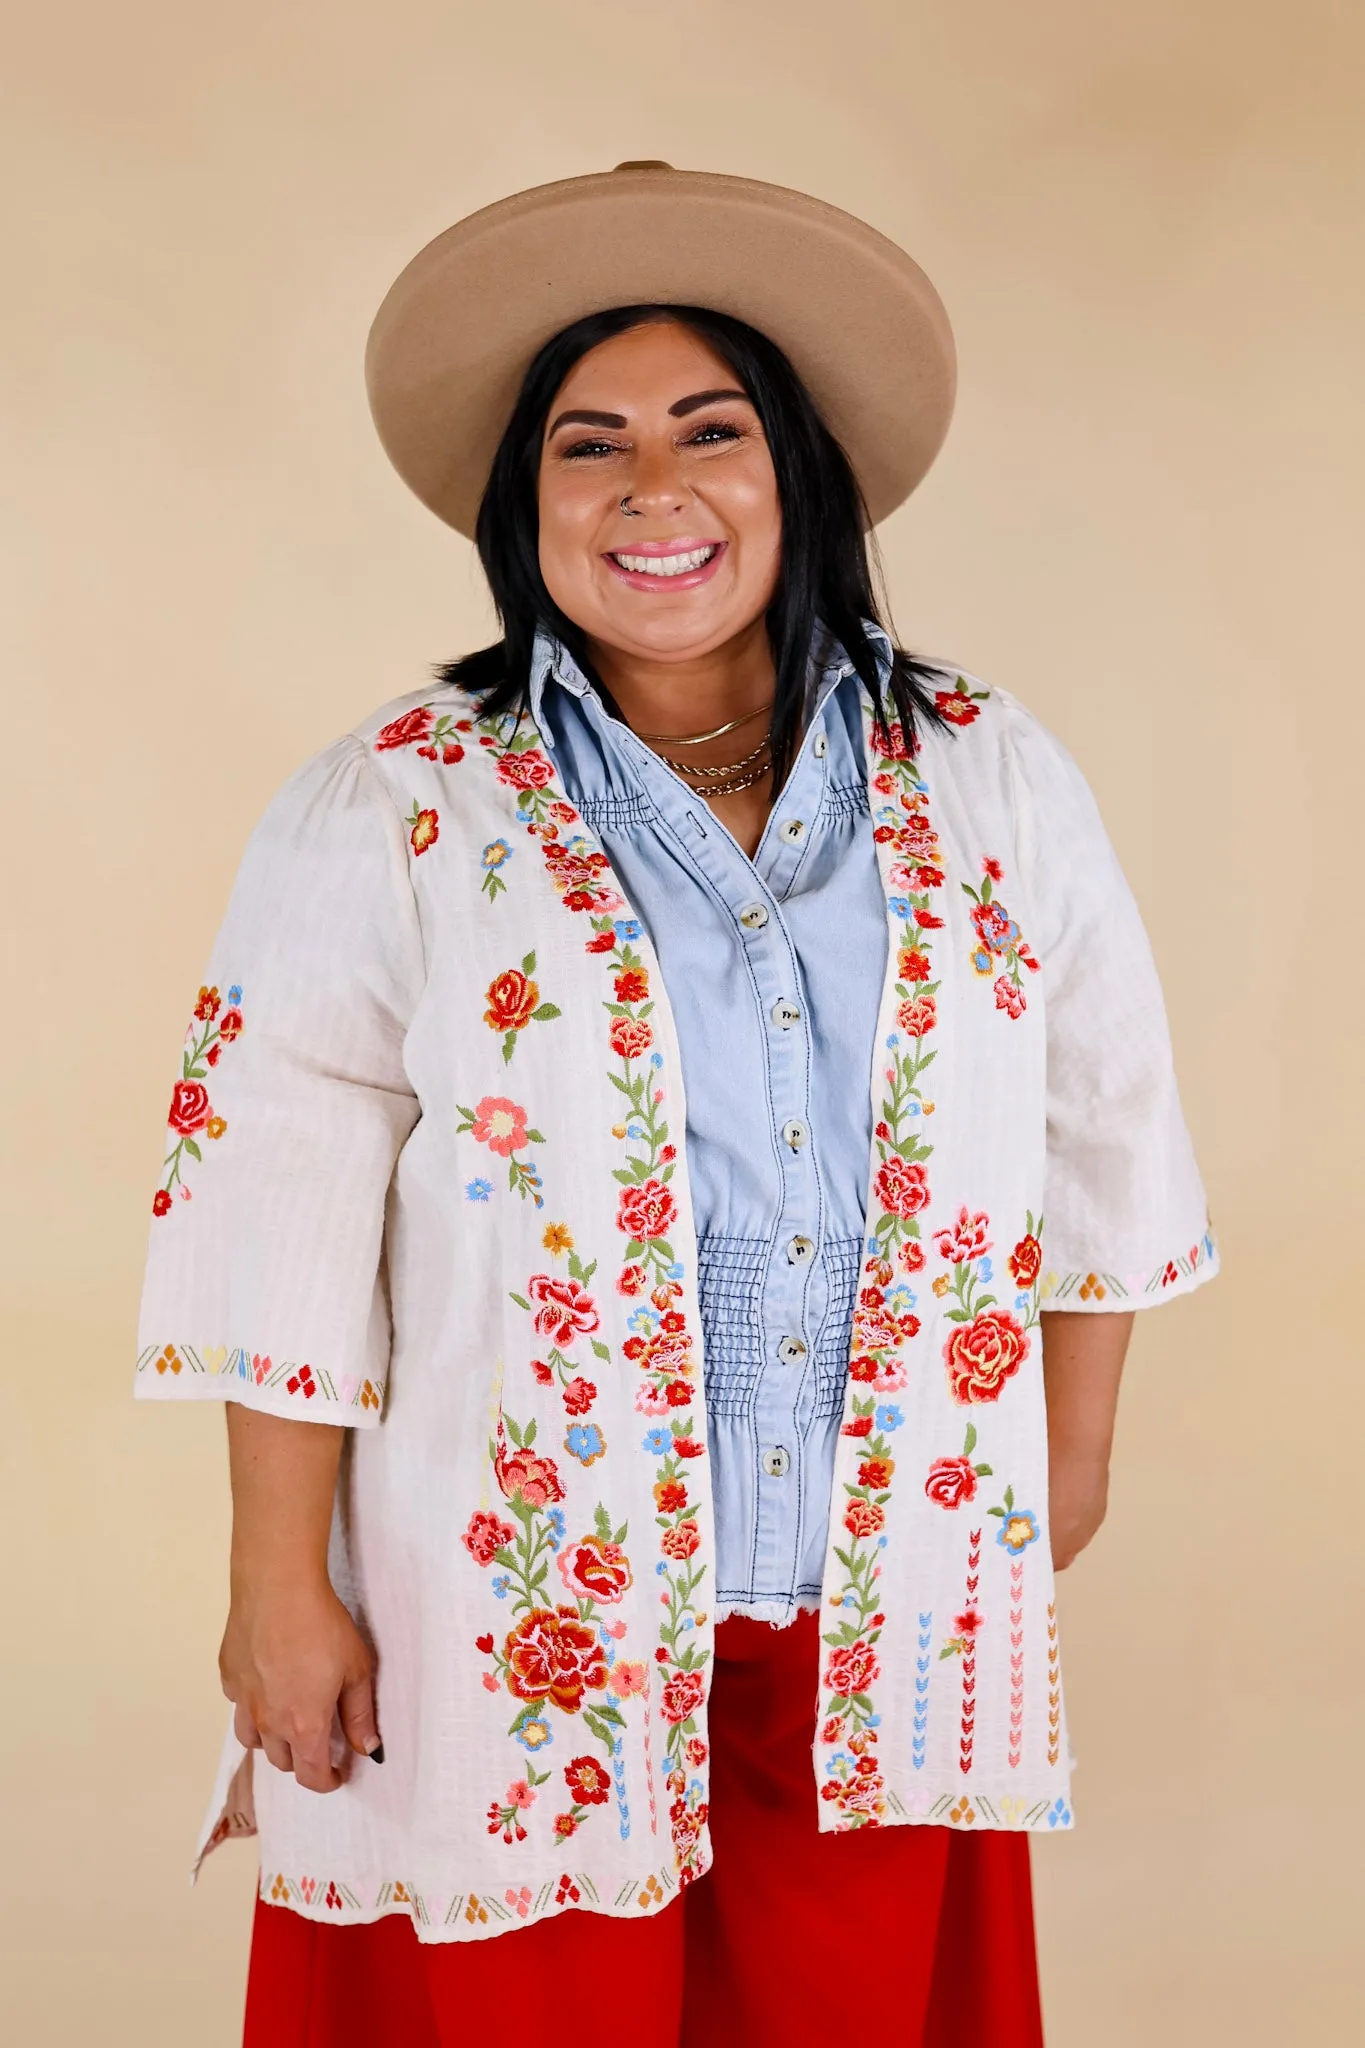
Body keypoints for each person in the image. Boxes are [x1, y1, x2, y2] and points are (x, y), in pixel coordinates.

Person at [136, 165, 1217, 2047]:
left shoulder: (984, 774)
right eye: (591, 444)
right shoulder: (394, 807)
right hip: (516, 1575)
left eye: (710, 431)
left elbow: (1102, 1109)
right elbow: (276, 1203)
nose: (654, 488)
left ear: (795, 472)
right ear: (522, 508)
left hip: (881, 1576)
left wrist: (1079, 1443)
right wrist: (272, 1586)